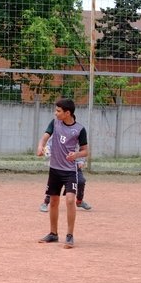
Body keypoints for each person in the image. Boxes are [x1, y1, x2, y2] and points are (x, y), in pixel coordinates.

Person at [36, 98, 89, 249]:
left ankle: (70, 235)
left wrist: (76, 155)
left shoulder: (79, 129)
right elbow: (45, 136)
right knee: (53, 201)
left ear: (67, 113)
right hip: (54, 170)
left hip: (70, 171)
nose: (56, 113)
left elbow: (86, 150)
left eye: (58, 111)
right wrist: (41, 146)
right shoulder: (55, 123)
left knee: (70, 200)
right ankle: (53, 233)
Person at [39, 146, 92, 212]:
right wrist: (47, 152)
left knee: (81, 181)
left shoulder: (77, 137)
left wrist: (81, 161)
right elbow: (48, 146)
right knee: (54, 184)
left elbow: (82, 150)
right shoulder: (58, 136)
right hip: (60, 166)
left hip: (73, 167)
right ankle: (45, 203)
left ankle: (79, 201)